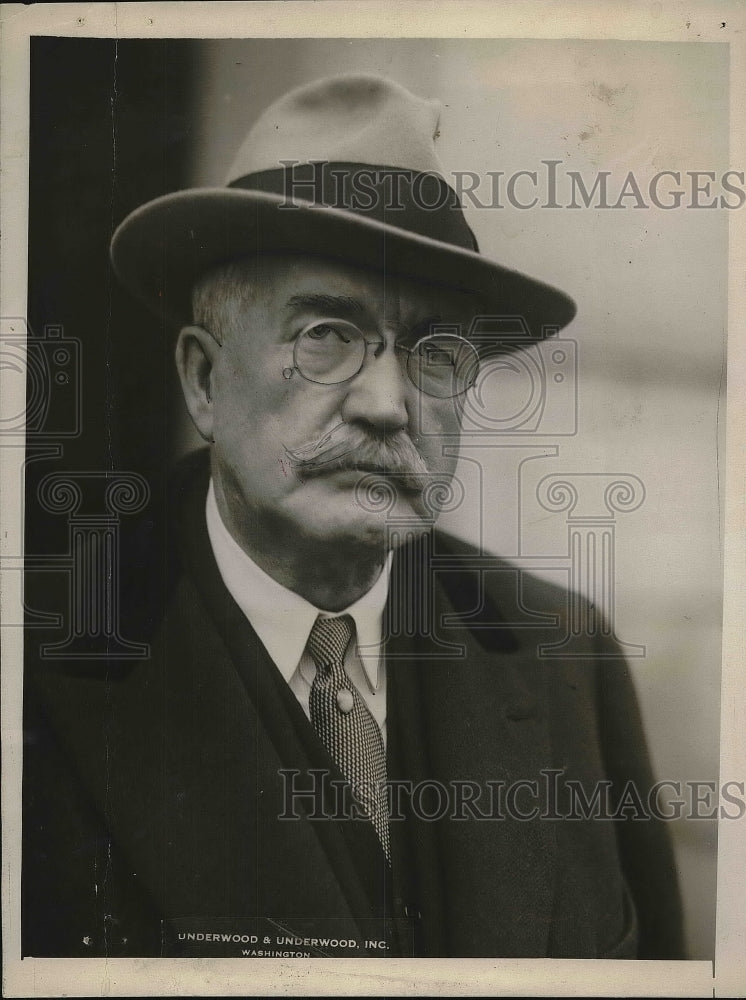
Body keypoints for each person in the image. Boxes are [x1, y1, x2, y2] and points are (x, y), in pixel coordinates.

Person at [22, 74, 683, 959]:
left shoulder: (563, 651)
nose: (386, 404)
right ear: (205, 380)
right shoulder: (39, 657)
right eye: (326, 333)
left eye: (437, 352)